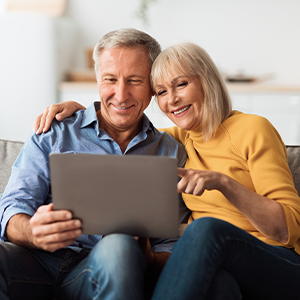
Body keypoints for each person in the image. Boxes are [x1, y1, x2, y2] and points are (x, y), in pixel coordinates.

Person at [39, 42, 300, 299]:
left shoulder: (253, 129)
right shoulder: (180, 139)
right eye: (161, 92)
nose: (172, 100)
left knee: (205, 229)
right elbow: (121, 126)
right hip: (223, 265)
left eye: (181, 84)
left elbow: (288, 230)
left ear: (207, 81)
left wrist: (224, 183)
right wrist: (82, 112)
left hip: (280, 263)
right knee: (219, 287)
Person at [0, 28, 189, 300]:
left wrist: (147, 256)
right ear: (98, 79)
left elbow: (170, 245)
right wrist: (31, 231)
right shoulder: (54, 130)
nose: (121, 95)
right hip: (34, 263)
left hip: (103, 268)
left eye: (134, 80)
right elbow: (13, 206)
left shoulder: (170, 152)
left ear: (152, 84)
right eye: (110, 79)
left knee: (120, 247)